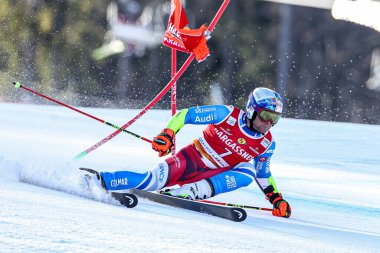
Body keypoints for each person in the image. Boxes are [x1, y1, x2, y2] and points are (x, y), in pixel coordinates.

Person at [83, 87, 291, 218]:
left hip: (214, 175)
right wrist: (168, 134)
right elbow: (186, 115)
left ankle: (190, 192)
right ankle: (98, 181)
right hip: (190, 159)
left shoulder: (266, 144)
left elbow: (263, 174)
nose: (269, 123)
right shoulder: (226, 114)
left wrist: (276, 200)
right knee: (150, 181)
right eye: (266, 115)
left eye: (275, 119)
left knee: (248, 171)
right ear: (252, 109)